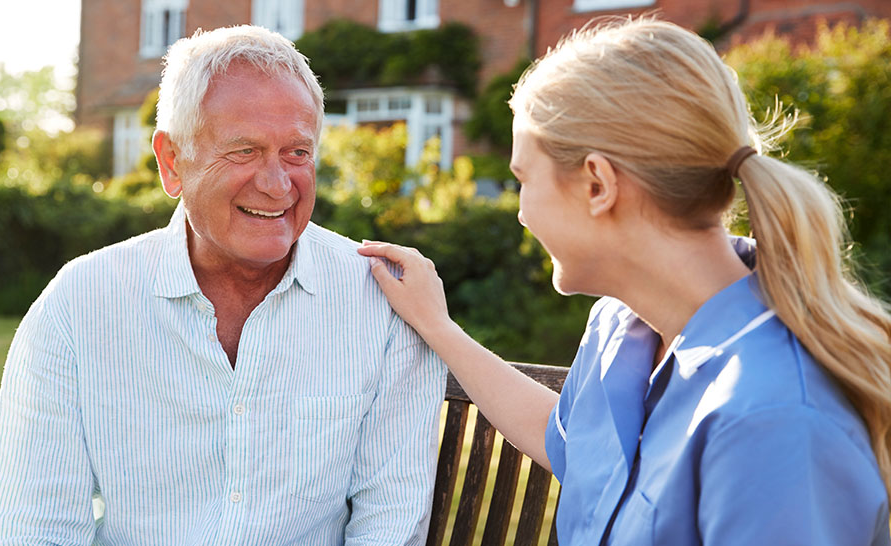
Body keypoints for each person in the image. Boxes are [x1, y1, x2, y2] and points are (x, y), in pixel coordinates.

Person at [359, 17, 891, 546]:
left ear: (597, 184)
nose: (521, 213)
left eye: (524, 179)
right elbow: (570, 444)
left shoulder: (775, 422)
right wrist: (437, 326)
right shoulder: (621, 325)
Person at [0, 25, 446, 545]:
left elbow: (392, 521)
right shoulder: (81, 303)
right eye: (243, 151)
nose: (277, 184)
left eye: (297, 152)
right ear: (172, 162)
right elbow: (29, 526)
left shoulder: (379, 301)